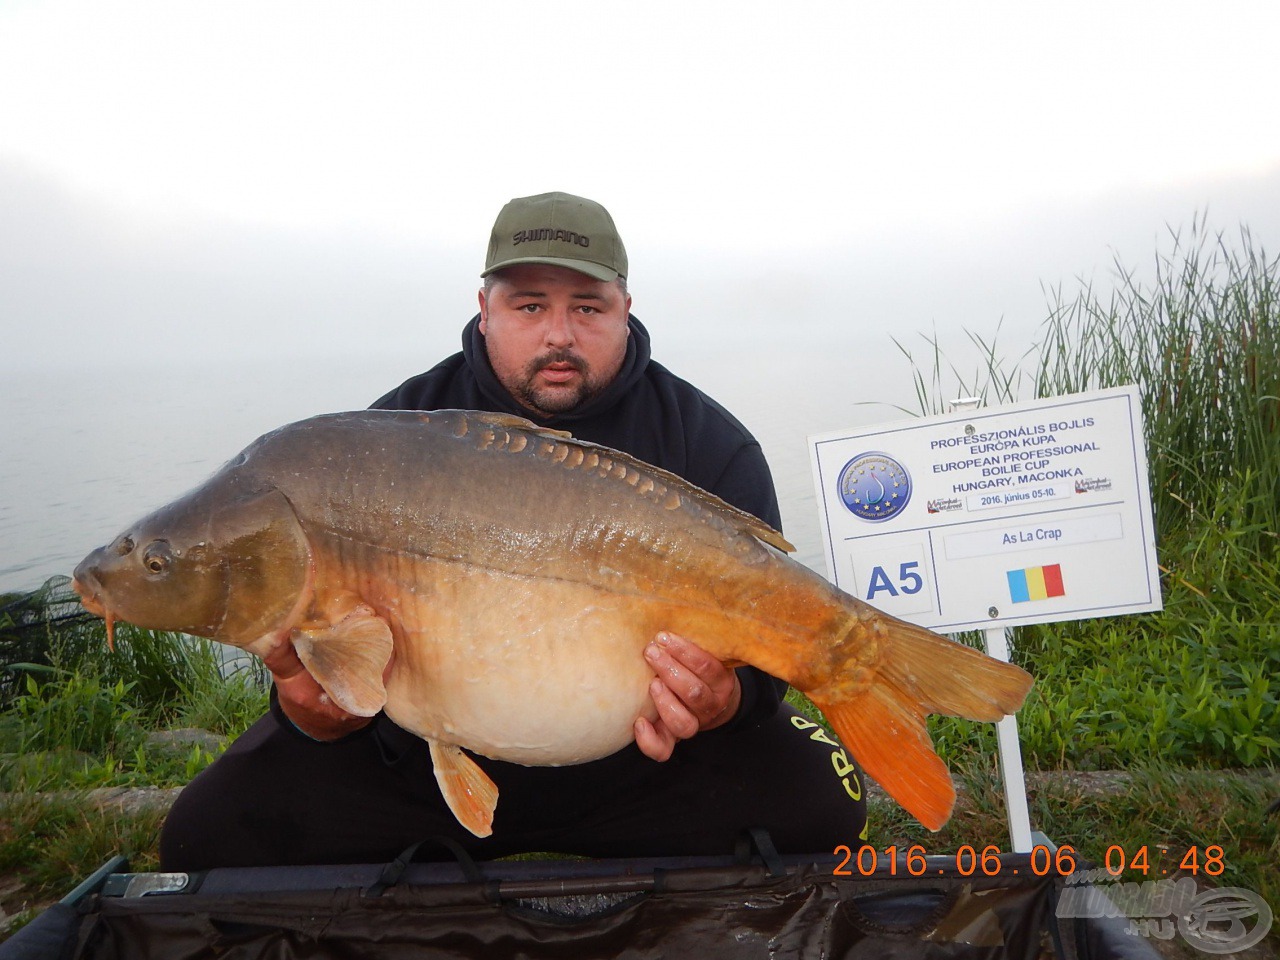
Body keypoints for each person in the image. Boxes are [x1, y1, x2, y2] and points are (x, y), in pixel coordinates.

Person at [159, 192, 867, 870]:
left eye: (587, 307)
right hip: (420, 761)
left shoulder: (707, 445)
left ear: (626, 310)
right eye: (529, 305)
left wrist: (725, 703)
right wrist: (314, 714)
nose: (559, 334)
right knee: (205, 834)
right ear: (485, 309)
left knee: (824, 805)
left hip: (645, 762)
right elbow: (319, 657)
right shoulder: (389, 438)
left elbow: (762, 675)